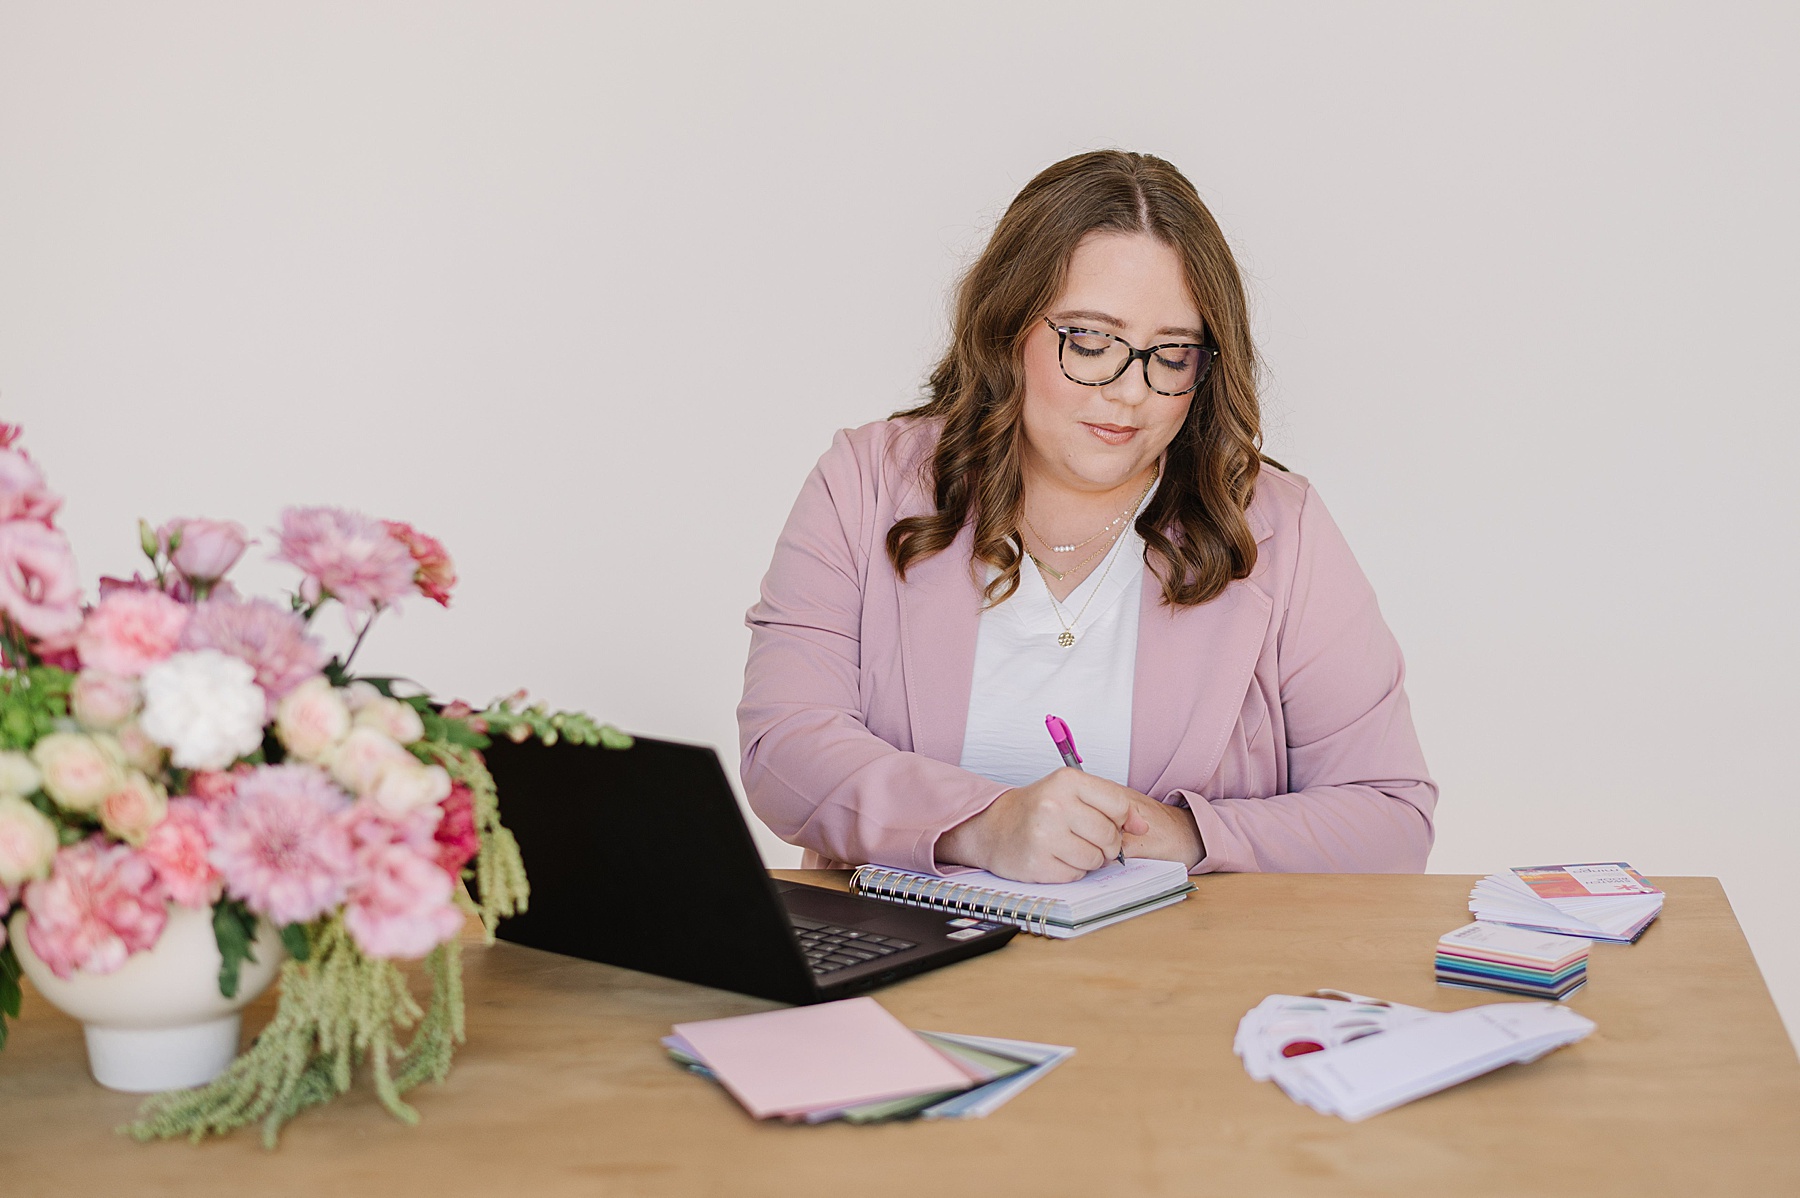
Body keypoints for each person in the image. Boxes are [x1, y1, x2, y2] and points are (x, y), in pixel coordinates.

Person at [738, 150, 1435, 884]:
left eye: (1169, 354)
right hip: (911, 974)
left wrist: (1185, 834)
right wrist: (986, 825)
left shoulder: (1278, 526)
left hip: (1176, 982)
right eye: (1092, 342)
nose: (1129, 391)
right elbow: (783, 753)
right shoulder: (867, 482)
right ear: (1008, 327)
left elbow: (1390, 822)